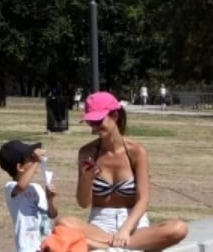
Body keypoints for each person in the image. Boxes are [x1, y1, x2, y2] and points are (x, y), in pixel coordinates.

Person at [55, 91, 188, 251]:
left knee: (178, 228)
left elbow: (143, 199)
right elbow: (83, 203)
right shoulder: (87, 152)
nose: (95, 127)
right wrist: (86, 178)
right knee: (63, 223)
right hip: (100, 222)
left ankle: (103, 246)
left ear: (115, 116)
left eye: (98, 121)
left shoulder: (136, 151)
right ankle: (116, 245)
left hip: (133, 223)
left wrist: (125, 230)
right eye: (91, 122)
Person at [0, 139, 57, 252]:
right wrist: (37, 162)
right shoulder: (10, 187)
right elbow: (21, 186)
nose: (34, 160)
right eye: (30, 158)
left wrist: (50, 200)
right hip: (27, 247)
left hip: (46, 244)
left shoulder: (37, 188)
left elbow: (52, 215)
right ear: (20, 167)